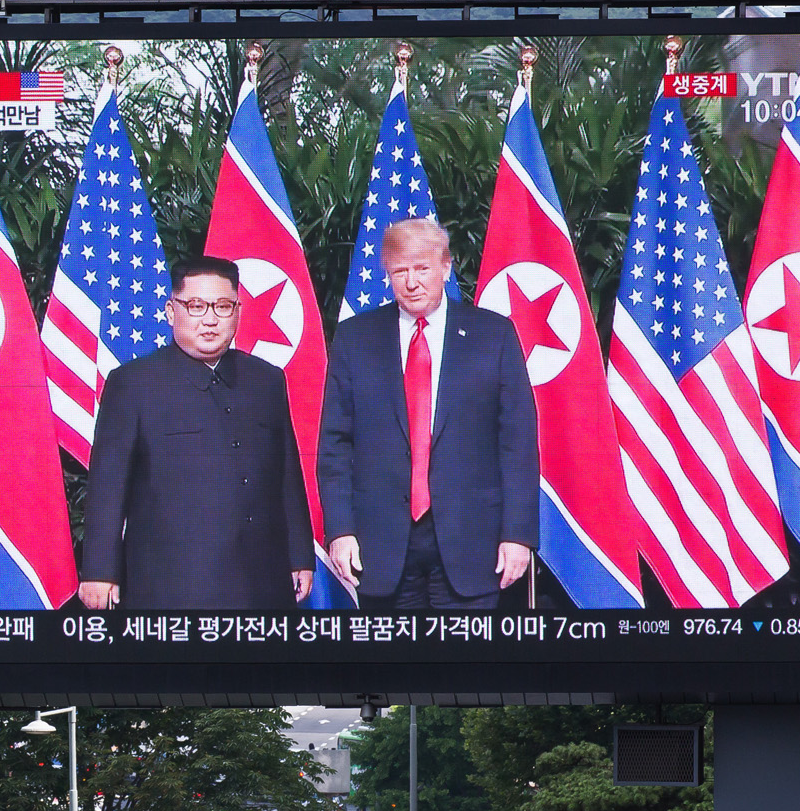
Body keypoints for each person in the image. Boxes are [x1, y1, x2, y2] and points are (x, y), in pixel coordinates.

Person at [318, 218, 539, 609]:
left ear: (445, 267)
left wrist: (517, 534)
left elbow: (517, 443)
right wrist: (340, 530)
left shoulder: (493, 335)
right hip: (379, 545)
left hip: (473, 542)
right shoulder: (356, 338)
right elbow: (335, 445)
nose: (411, 282)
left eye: (421, 268)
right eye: (399, 271)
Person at [79, 256, 315, 610]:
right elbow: (108, 484)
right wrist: (99, 570)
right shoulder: (133, 383)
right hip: (173, 583)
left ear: (238, 311)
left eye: (222, 306)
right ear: (171, 311)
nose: (209, 319)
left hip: (263, 580)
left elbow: (287, 476)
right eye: (196, 306)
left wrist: (300, 556)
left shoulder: (266, 380)